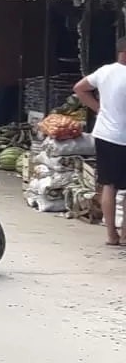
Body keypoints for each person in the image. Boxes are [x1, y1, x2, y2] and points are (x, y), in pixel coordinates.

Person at [74, 37, 126, 246]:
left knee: (109, 185)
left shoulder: (104, 71)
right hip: (123, 138)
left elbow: (79, 88)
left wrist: (98, 108)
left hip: (105, 135)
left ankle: (111, 235)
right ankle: (124, 235)